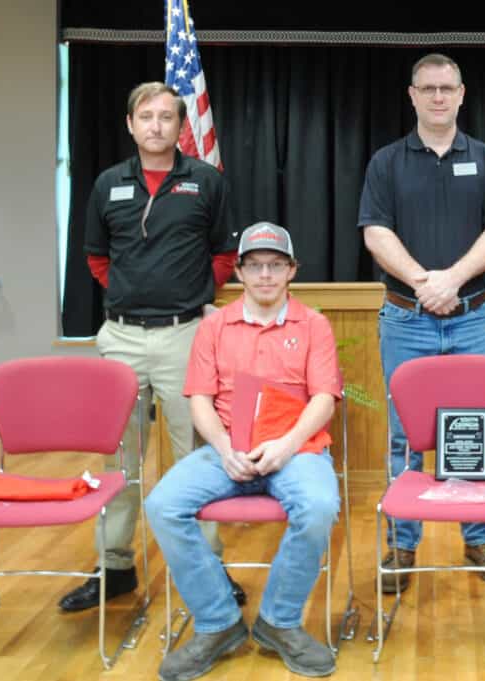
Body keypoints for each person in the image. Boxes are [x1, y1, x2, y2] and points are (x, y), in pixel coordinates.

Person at [67, 81, 242, 612]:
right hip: (120, 338)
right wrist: (133, 296)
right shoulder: (107, 184)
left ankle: (208, 566)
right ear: (130, 124)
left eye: (167, 117)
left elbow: (224, 253)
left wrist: (186, 294)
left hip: (185, 335)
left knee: (197, 456)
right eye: (146, 116)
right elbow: (98, 259)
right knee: (118, 456)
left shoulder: (205, 182)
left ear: (180, 125)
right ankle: (114, 566)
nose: (156, 126)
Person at [145, 222, 341, 680]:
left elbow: (324, 398)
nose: (266, 275)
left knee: (317, 506)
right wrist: (224, 446)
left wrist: (288, 444)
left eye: (276, 265)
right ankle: (217, 622)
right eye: (255, 266)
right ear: (239, 272)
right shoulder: (215, 327)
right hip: (228, 447)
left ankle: (280, 622)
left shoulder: (314, 325)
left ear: (292, 271)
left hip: (296, 448)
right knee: (162, 504)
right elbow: (199, 399)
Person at [357, 53, 485, 593]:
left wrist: (452, 279)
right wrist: (426, 284)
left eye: (447, 88)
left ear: (462, 93)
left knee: (474, 426)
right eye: (427, 88)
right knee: (406, 434)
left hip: (474, 317)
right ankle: (402, 545)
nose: (438, 97)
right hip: (406, 320)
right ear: (412, 95)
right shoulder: (386, 162)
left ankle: (479, 540)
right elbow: (375, 232)